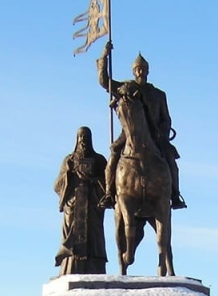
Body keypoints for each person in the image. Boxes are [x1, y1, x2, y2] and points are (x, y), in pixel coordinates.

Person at [97, 41, 186, 209]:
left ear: (148, 71)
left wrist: (163, 132)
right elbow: (104, 81)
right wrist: (104, 56)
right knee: (114, 153)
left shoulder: (158, 94)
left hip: (155, 134)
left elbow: (166, 118)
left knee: (170, 159)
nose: (141, 72)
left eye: (143, 69)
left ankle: (175, 194)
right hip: (129, 133)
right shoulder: (126, 88)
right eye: (138, 69)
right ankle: (109, 193)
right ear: (134, 71)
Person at [54, 126, 108, 275]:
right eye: (80, 137)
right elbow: (57, 185)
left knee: (93, 236)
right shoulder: (69, 160)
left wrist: (93, 179)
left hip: (92, 204)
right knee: (72, 236)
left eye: (86, 136)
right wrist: (69, 175)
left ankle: (94, 268)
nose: (83, 140)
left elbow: (109, 184)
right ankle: (70, 267)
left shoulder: (99, 160)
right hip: (74, 203)